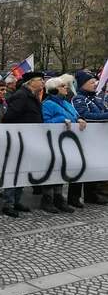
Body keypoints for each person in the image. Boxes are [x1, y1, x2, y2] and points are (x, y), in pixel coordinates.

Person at [1, 71, 46, 217]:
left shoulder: (32, 96)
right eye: (40, 79)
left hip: (29, 141)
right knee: (13, 171)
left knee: (22, 171)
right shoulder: (21, 95)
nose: (43, 82)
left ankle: (16, 201)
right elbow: (8, 117)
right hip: (19, 140)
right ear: (31, 82)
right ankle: (8, 203)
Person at [42, 77, 87, 213]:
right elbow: (46, 122)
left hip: (66, 143)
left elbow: (74, 115)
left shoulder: (66, 103)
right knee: (52, 170)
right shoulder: (47, 104)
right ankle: (47, 198)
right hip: (53, 142)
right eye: (62, 86)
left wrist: (79, 119)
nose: (65, 88)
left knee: (61, 170)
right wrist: (61, 119)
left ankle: (58, 197)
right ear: (54, 89)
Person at [69, 71, 108, 205]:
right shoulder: (78, 98)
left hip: (97, 139)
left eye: (95, 82)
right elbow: (85, 115)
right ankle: (74, 196)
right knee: (79, 167)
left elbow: (103, 111)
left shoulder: (96, 98)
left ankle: (91, 194)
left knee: (94, 167)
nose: (95, 85)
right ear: (83, 84)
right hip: (83, 138)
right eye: (91, 83)